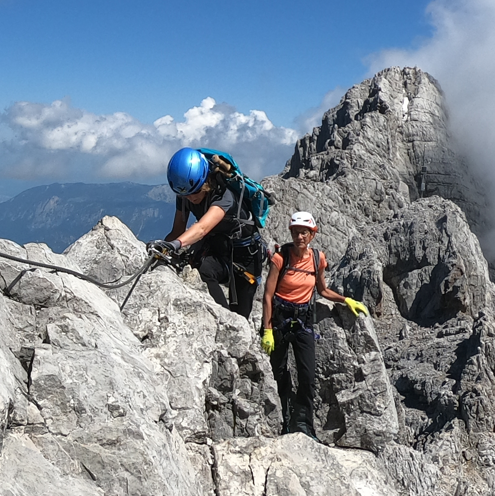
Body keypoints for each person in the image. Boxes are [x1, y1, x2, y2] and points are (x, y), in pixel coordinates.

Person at [260, 211, 370, 437]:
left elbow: (322, 290)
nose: (299, 237)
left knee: (307, 376)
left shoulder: (318, 258)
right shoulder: (281, 258)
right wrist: (267, 330)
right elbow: (268, 296)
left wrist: (345, 300)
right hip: (280, 318)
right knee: (278, 372)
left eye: (304, 233)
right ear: (291, 233)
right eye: (296, 232)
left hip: (303, 319)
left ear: (312, 235)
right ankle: (284, 421)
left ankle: (304, 426)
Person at [147, 148, 266, 318]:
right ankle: (222, 319)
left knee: (240, 315)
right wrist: (161, 248)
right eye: (185, 194)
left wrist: (174, 245)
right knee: (204, 270)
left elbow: (202, 228)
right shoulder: (185, 192)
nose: (190, 198)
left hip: (245, 257)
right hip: (219, 249)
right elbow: (178, 230)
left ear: (205, 180)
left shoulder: (224, 195)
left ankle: (231, 324)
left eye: (194, 192)